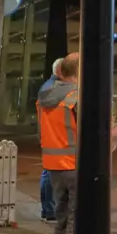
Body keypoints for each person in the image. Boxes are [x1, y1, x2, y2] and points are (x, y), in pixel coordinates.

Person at [36, 52, 117, 234]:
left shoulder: (45, 97)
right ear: (80, 72)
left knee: (61, 223)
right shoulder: (76, 98)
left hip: (54, 167)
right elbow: (98, 134)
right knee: (74, 224)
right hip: (75, 166)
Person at [37, 57, 65, 222]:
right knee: (49, 173)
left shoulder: (48, 87)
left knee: (50, 172)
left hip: (51, 135)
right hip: (54, 136)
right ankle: (49, 210)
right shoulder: (54, 89)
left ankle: (49, 209)